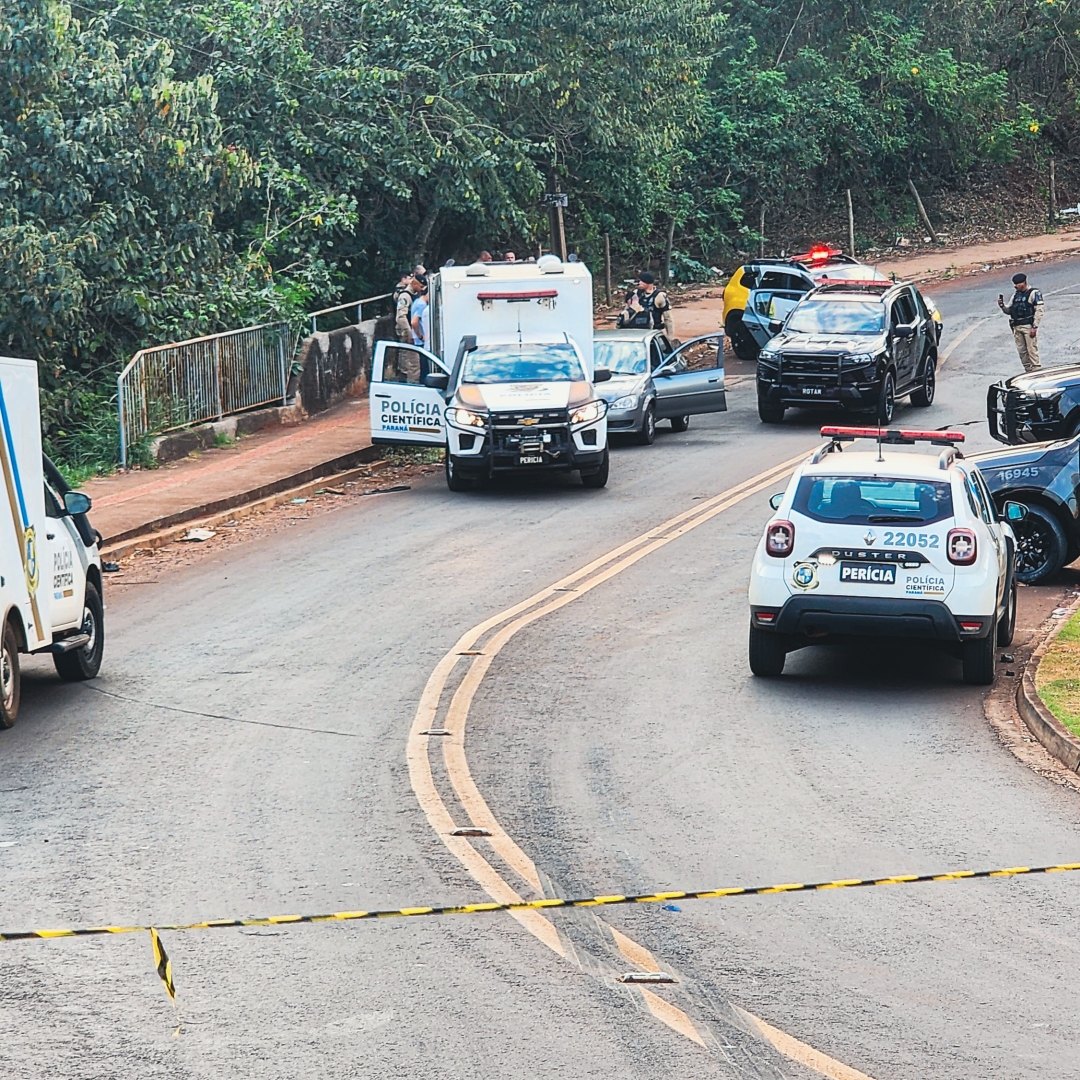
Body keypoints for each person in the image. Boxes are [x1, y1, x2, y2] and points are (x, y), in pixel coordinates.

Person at [998, 272, 1044, 372]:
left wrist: (1034, 326)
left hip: (1028, 326)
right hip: (1017, 327)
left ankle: (1037, 372)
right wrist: (1002, 306)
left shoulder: (1033, 293)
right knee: (1022, 352)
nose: (1015, 286)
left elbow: (1039, 311)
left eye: (1017, 284)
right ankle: (1028, 371)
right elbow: (1009, 311)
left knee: (1032, 351)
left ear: (1023, 283)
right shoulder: (1015, 296)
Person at [621, 271, 674, 338]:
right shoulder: (636, 294)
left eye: (641, 281)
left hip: (654, 333)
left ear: (648, 283)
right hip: (637, 332)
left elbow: (668, 318)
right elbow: (626, 312)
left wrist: (670, 337)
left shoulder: (659, 296)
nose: (639, 283)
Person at [395, 273, 422, 343]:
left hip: (415, 331)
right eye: (421, 286)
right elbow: (401, 317)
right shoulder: (405, 296)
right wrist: (409, 333)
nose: (421, 289)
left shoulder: (415, 294)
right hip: (407, 333)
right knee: (407, 353)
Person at [410, 278, 429, 348]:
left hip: (417, 339)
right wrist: (420, 336)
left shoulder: (417, 301)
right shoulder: (422, 305)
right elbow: (414, 322)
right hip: (421, 340)